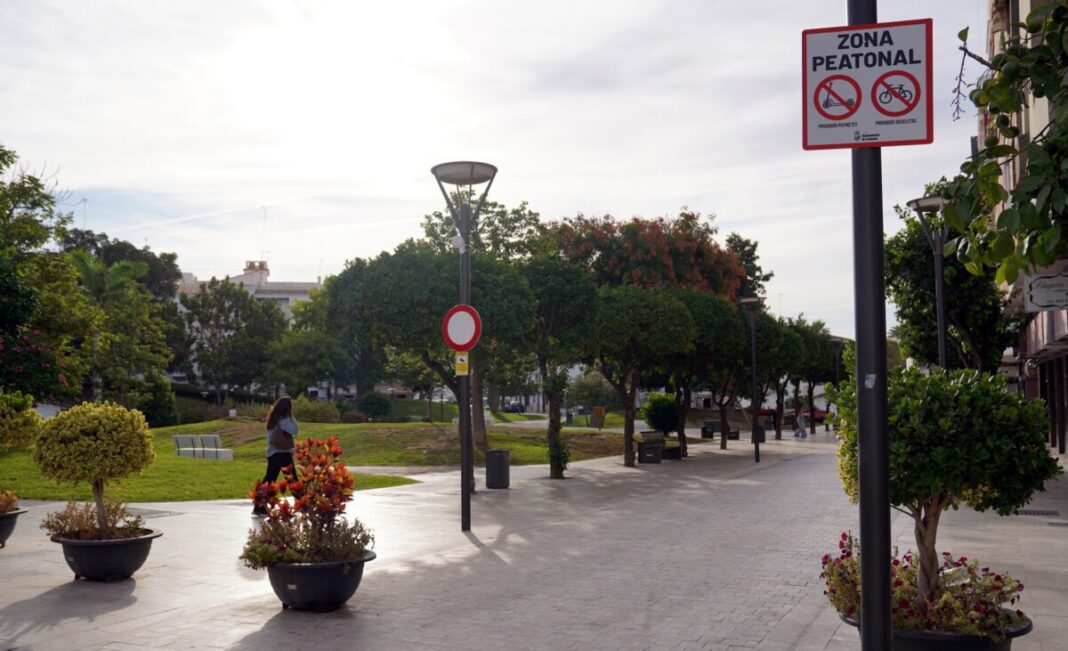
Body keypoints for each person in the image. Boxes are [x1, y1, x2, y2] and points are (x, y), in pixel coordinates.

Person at [252, 395, 299, 516]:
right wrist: (291, 416)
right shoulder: (284, 421)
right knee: (292, 481)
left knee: (269, 480)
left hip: (272, 454)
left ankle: (259, 507)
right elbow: (295, 430)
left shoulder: (272, 419)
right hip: (282, 454)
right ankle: (303, 504)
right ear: (287, 408)